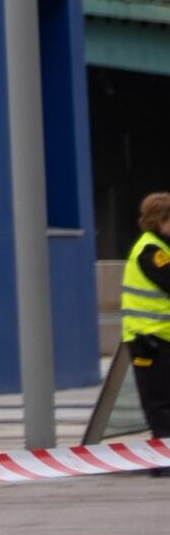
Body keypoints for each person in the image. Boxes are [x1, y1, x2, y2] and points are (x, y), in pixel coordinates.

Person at [117, 190, 170, 448]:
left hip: (159, 337)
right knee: (159, 402)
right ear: (159, 220)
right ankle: (162, 457)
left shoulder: (161, 247)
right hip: (150, 340)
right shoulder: (151, 250)